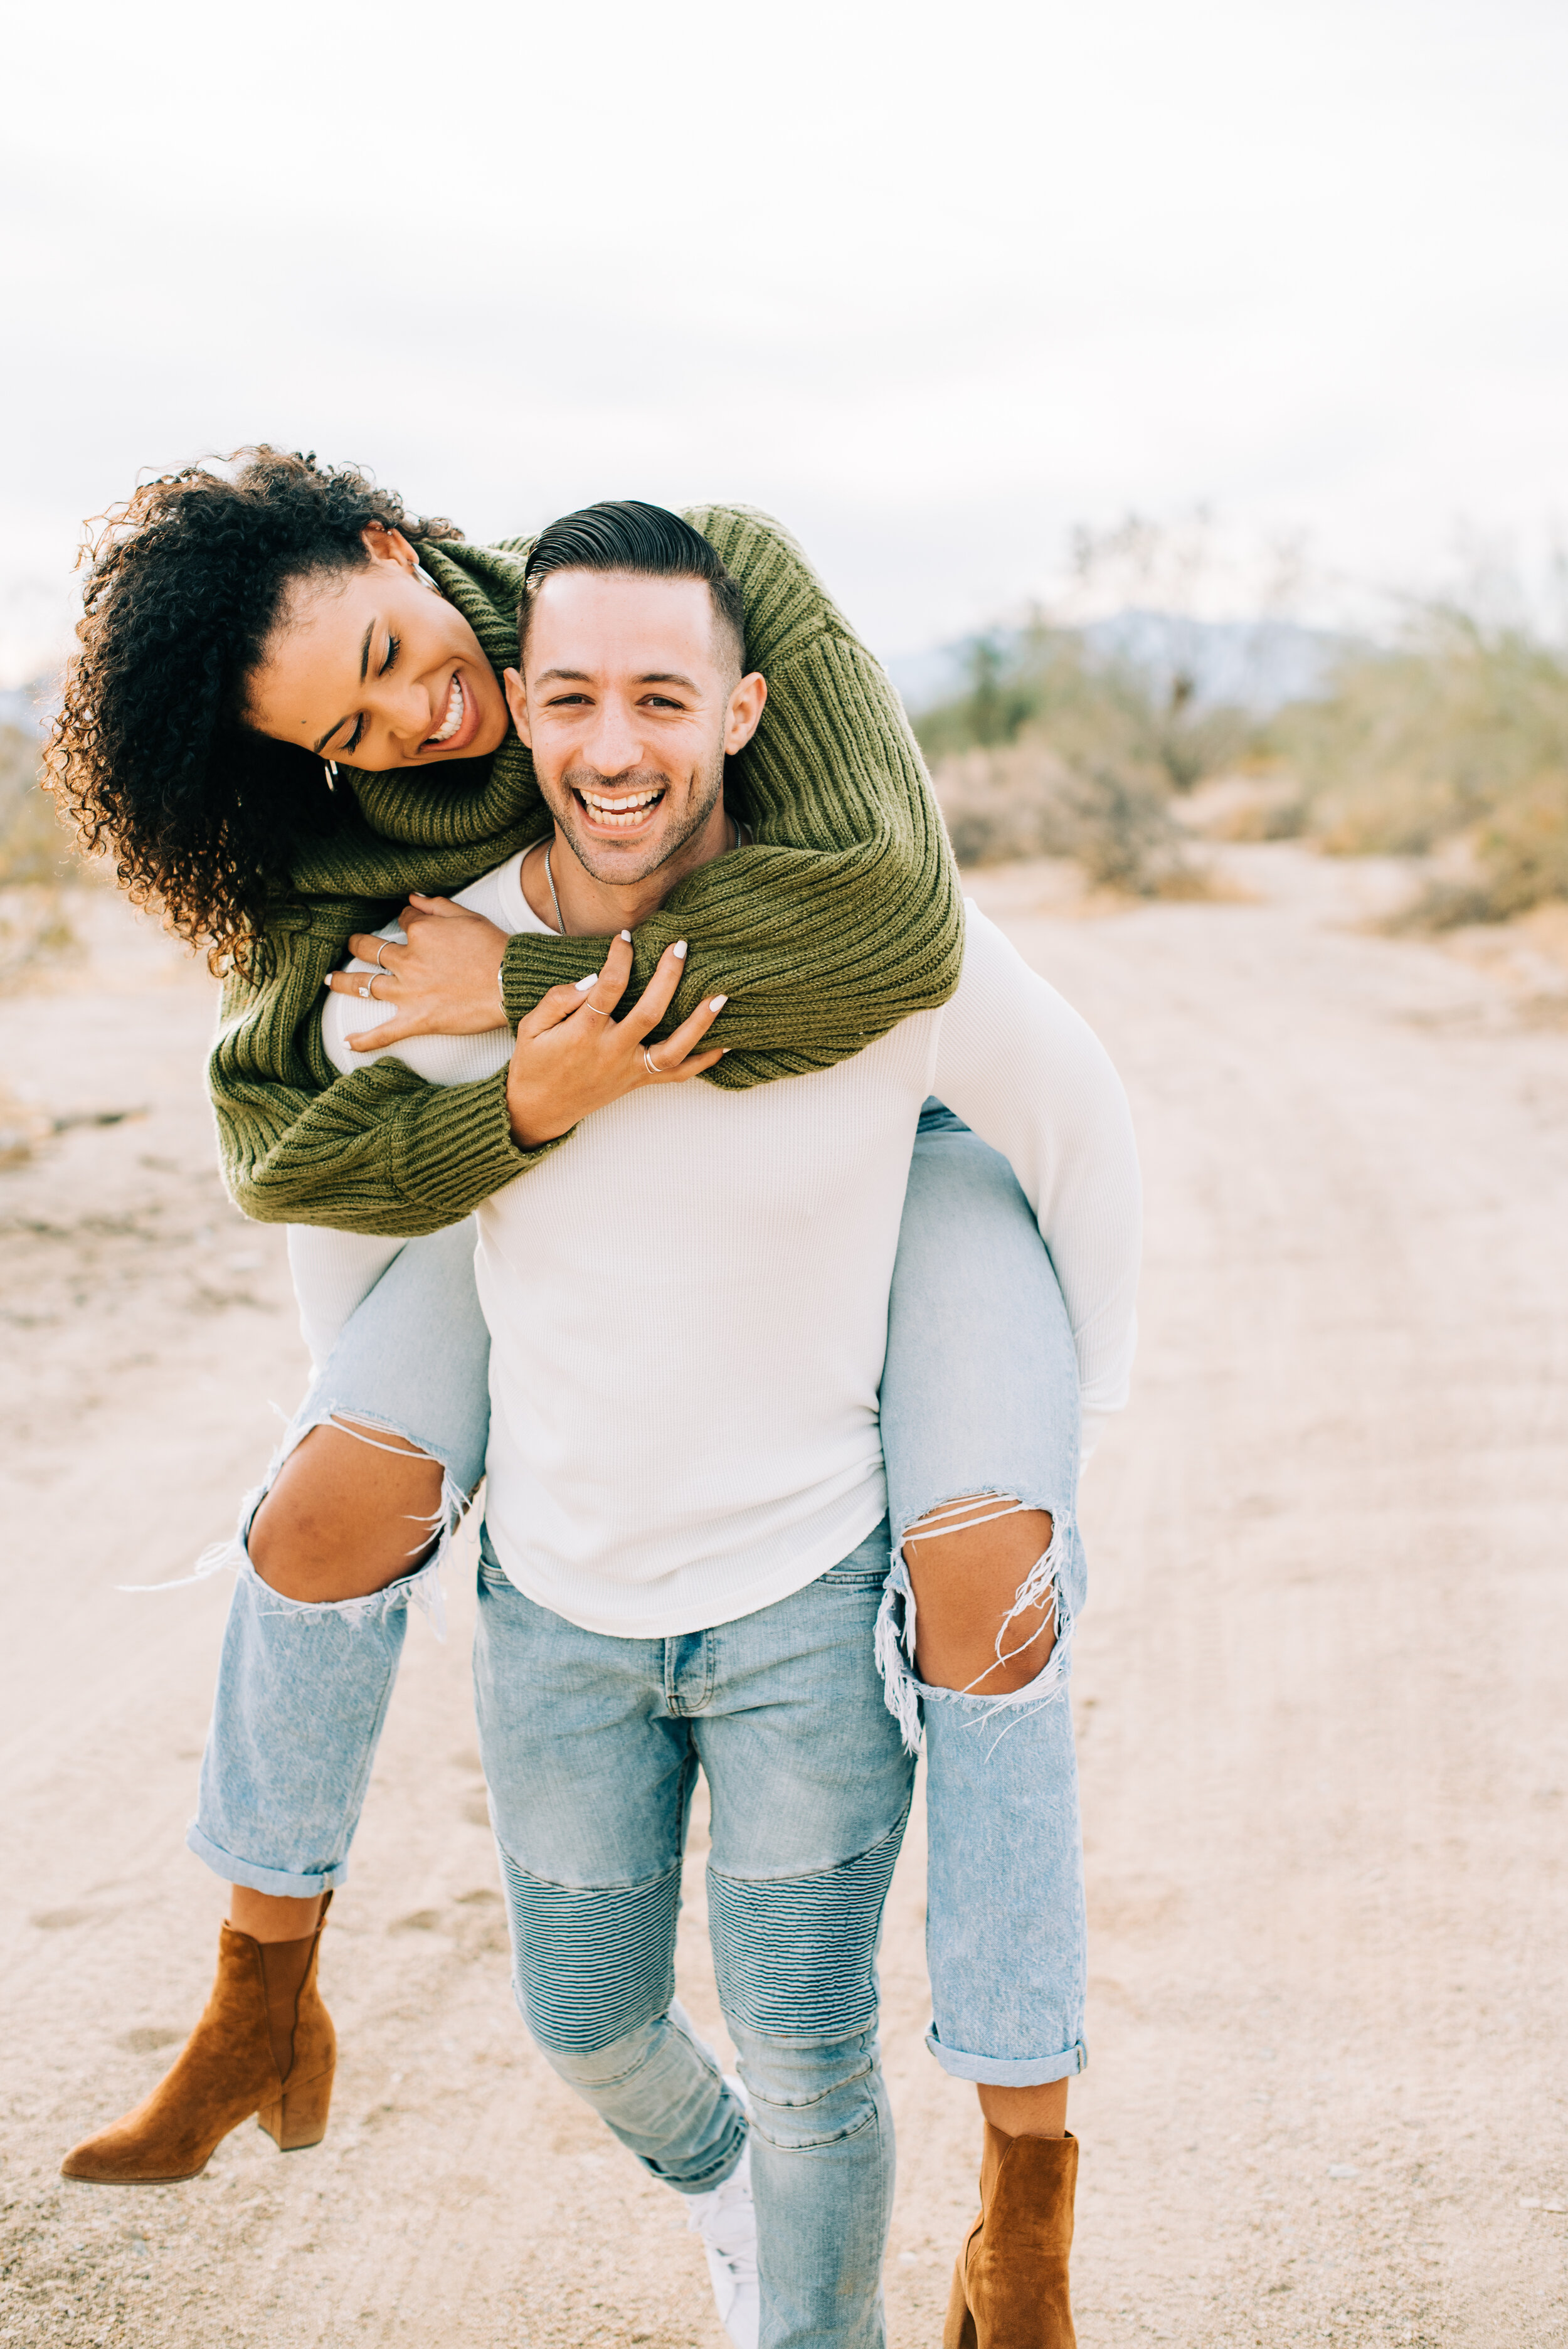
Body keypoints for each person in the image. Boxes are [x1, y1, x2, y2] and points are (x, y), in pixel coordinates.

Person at [50, 476, 1139, 2349]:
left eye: (397, 659)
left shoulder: (693, 598)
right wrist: (512, 1112)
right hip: (551, 1120)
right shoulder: (369, 869)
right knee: (329, 1501)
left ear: (400, 551)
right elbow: (292, 1148)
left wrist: (1056, 1398)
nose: (423, 721)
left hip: (901, 1112)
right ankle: (258, 1988)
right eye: (352, 728)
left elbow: (904, 940)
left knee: (991, 1597)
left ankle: (1022, 2197)